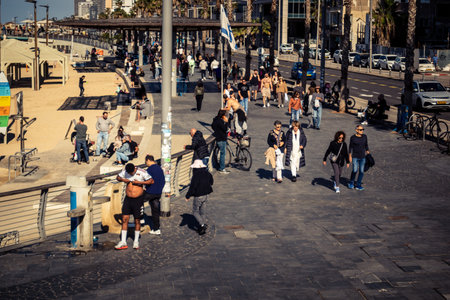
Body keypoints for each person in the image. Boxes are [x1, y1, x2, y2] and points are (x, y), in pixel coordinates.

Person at [115, 163, 153, 250]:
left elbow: (151, 181)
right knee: (124, 219)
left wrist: (139, 182)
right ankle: (123, 241)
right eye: (129, 173)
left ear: (134, 170)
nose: (130, 175)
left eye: (131, 173)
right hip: (128, 199)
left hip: (138, 200)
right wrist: (123, 180)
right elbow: (117, 177)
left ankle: (136, 241)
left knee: (137, 220)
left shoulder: (142, 172)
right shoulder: (126, 172)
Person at [185, 159, 214, 235]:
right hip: (206, 195)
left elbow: (192, 188)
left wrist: (188, 196)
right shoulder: (208, 173)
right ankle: (202, 227)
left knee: (195, 211)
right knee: (203, 212)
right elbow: (212, 182)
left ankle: (202, 225)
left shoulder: (196, 176)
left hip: (198, 196)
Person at [144, 155, 165, 235]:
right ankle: (156, 229)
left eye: (146, 162)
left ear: (148, 160)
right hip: (158, 193)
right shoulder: (159, 168)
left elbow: (146, 179)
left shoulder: (150, 169)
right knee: (155, 210)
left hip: (150, 192)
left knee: (138, 201)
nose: (146, 164)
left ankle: (140, 221)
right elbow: (163, 181)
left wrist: (146, 187)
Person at [348, 125, 370, 190]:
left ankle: (358, 185)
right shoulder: (353, 137)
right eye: (360, 130)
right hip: (355, 156)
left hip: (362, 157)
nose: (362, 131)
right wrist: (349, 156)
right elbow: (350, 147)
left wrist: (367, 151)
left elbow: (366, 145)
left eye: (363, 129)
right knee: (354, 170)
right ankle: (351, 182)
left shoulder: (365, 136)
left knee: (361, 171)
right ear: (356, 130)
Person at [211, 109, 229, 174]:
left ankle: (221, 167)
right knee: (222, 154)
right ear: (223, 116)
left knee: (221, 153)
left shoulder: (215, 119)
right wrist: (226, 122)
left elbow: (212, 126)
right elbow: (225, 129)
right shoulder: (220, 121)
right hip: (221, 139)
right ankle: (222, 168)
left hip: (218, 138)